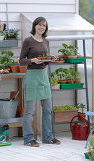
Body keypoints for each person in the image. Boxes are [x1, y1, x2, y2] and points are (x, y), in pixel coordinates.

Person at [19, 17, 61, 147]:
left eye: (44, 25)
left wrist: (50, 59)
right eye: (39, 25)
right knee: (30, 111)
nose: (41, 27)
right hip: (32, 76)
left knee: (48, 109)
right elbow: (21, 60)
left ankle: (47, 137)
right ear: (35, 26)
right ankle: (28, 138)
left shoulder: (46, 42)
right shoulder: (28, 41)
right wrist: (32, 60)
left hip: (43, 76)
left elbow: (44, 59)